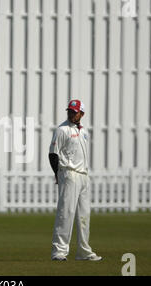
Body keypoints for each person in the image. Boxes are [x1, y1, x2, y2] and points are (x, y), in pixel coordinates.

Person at [48, 99, 102, 261]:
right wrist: (57, 174)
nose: (71, 114)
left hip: (84, 175)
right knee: (66, 213)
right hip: (69, 174)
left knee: (84, 215)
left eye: (75, 111)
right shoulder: (62, 130)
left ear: (82, 114)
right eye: (70, 111)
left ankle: (83, 251)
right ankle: (59, 251)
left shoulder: (84, 131)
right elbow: (53, 154)